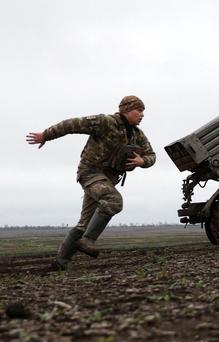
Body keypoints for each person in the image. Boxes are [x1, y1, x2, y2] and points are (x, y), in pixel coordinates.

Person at [26, 96, 156, 270]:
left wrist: (143, 161)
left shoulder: (137, 134)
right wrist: (46, 135)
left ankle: (59, 263)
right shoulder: (105, 122)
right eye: (139, 110)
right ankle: (88, 241)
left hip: (107, 180)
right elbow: (71, 124)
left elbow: (152, 155)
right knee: (113, 201)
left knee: (84, 224)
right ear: (126, 110)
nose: (142, 115)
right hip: (90, 173)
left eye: (143, 111)